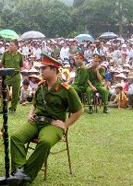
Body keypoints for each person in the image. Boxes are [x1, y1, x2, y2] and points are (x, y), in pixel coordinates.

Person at [9, 53, 83, 185]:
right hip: (36, 121)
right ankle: (19, 170)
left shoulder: (66, 90)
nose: (41, 71)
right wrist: (30, 113)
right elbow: (35, 103)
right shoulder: (41, 86)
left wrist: (65, 125)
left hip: (53, 125)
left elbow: (79, 110)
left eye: (44, 68)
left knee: (45, 142)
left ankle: (28, 174)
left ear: (54, 70)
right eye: (41, 68)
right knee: (15, 137)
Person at [1, 39, 24, 114]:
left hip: (16, 76)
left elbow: (21, 65)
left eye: (12, 45)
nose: (10, 47)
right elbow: (2, 64)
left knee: (15, 94)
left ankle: (13, 109)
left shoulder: (20, 55)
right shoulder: (5, 54)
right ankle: (3, 108)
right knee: (4, 92)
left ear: (17, 47)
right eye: (9, 45)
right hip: (7, 76)